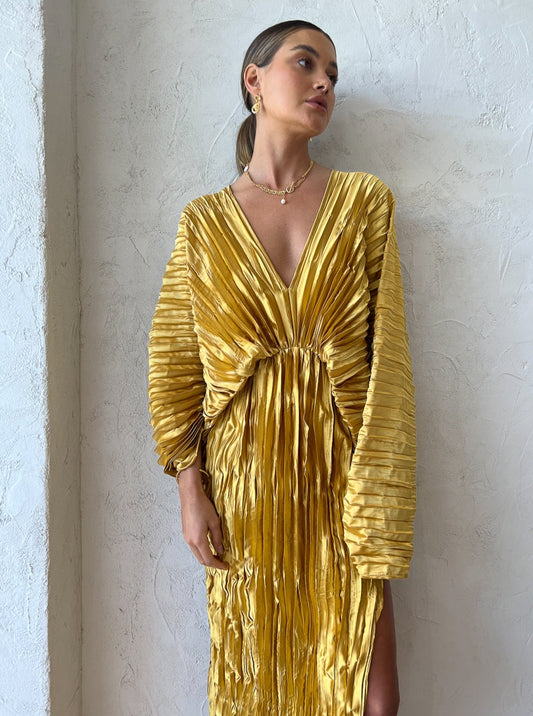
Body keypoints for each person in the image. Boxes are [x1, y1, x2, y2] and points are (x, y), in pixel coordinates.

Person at [148, 19, 416, 716]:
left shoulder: (364, 203)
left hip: (342, 480)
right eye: (306, 63)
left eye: (333, 73)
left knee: (374, 701)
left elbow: (388, 364)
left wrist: (379, 496)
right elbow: (175, 366)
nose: (324, 81)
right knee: (258, 687)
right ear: (254, 79)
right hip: (245, 488)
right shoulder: (204, 224)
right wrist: (190, 492)